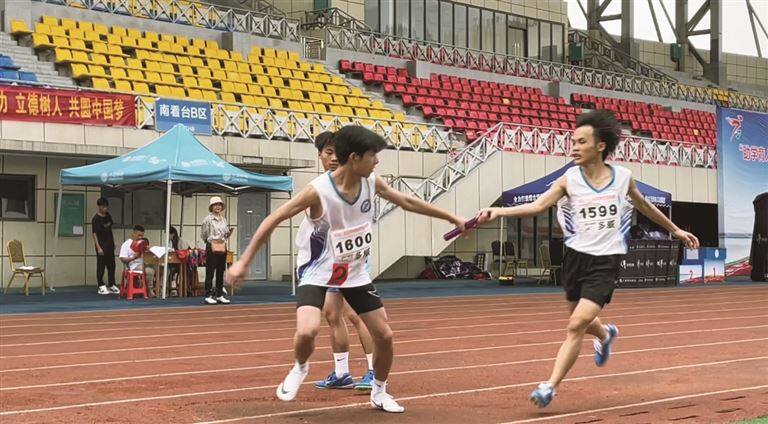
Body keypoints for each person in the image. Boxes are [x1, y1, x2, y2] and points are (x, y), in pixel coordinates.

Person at [227, 126, 468, 413]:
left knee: (385, 336)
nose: (377, 161)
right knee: (307, 332)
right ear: (354, 158)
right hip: (317, 270)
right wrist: (244, 261)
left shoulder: (371, 182)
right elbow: (273, 218)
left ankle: (379, 391)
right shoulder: (318, 190)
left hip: (354, 271)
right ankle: (301, 366)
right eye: (372, 156)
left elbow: (407, 201)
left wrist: (452, 217)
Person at [476, 110, 700, 408]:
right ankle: (606, 334)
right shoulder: (569, 179)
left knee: (575, 325)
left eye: (581, 142)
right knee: (579, 320)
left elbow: (644, 206)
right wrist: (498, 211)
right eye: (573, 141)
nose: (574, 147)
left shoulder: (622, 178)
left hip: (606, 261)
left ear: (600, 146)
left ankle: (549, 386)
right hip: (575, 258)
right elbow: (537, 205)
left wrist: (675, 229)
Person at [306, 131, 377, 391]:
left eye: (338, 153)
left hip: (351, 260)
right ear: (319, 156)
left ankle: (373, 371)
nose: (334, 158)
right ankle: (341, 373)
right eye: (328, 153)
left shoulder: (353, 182)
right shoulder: (318, 186)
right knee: (332, 314)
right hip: (330, 262)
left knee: (359, 316)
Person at [201, 196, 232, 305]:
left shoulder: (224, 219)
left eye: (219, 205)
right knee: (210, 271)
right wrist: (210, 242)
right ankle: (208, 295)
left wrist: (227, 234)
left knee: (220, 270)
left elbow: (225, 233)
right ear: (211, 207)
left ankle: (219, 295)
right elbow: (204, 235)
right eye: (215, 205)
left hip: (222, 245)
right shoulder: (207, 219)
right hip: (212, 245)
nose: (218, 206)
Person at [92, 197, 118, 295]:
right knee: (101, 266)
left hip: (110, 245)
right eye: (103, 207)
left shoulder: (108, 216)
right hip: (101, 246)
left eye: (106, 207)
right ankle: (101, 285)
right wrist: (98, 247)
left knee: (112, 265)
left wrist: (113, 242)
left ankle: (112, 284)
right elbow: (94, 234)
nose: (105, 209)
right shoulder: (95, 219)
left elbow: (110, 230)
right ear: (99, 207)